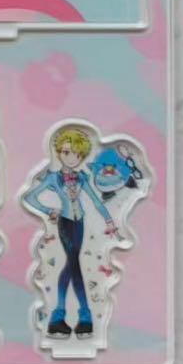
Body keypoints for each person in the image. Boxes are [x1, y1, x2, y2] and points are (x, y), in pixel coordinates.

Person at [23, 126, 116, 339]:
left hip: (79, 222)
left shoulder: (81, 178)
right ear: (58, 153)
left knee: (71, 265)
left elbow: (95, 200)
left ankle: (58, 318)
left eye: (76, 154)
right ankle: (84, 316)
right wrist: (48, 210)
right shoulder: (54, 178)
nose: (71, 157)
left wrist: (109, 220)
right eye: (66, 152)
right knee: (74, 264)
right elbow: (29, 197)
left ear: (81, 156)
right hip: (65, 222)